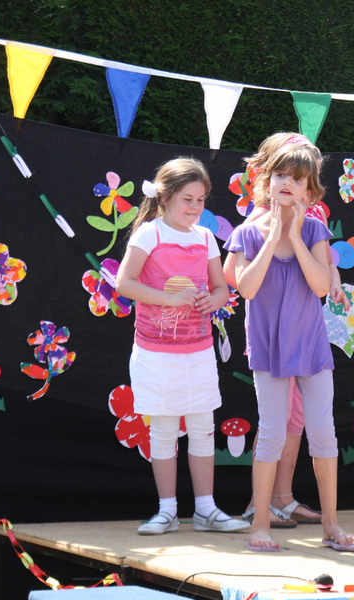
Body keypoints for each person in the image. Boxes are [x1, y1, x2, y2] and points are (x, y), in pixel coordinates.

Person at [226, 145, 354, 552]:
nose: (288, 183)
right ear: (266, 181)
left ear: (309, 192)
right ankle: (260, 524)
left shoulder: (315, 230)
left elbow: (321, 286)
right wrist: (274, 235)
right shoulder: (246, 234)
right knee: (271, 433)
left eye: (298, 179)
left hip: (311, 346)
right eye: (281, 175)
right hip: (268, 348)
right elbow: (247, 288)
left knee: (323, 434)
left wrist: (296, 236)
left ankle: (331, 525)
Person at [116, 157, 249, 536]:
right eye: (187, 199)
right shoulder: (149, 234)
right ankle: (168, 511)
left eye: (200, 200)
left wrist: (215, 299)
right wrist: (170, 299)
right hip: (155, 353)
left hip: (199, 351)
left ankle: (206, 510)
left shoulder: (205, 238)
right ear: (165, 197)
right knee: (163, 428)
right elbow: (124, 283)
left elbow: (221, 287)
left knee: (203, 427)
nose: (194, 207)